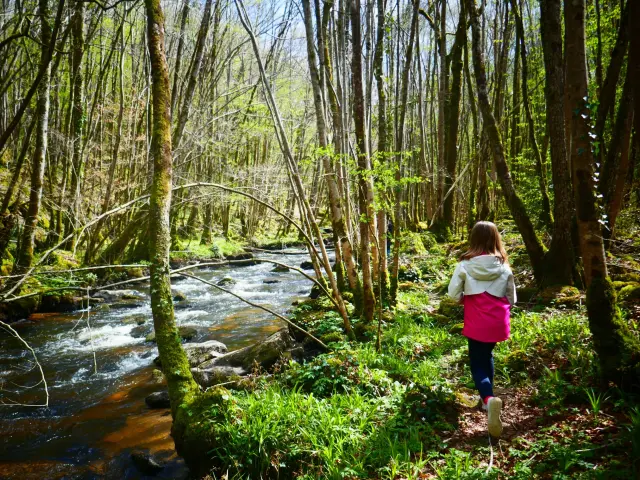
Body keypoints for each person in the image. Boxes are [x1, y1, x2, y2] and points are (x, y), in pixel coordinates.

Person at [447, 221, 516, 438]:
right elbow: (512, 297)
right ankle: (488, 400)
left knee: (477, 362)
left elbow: (452, 294)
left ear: (473, 239)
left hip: (477, 320)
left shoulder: (465, 265)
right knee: (487, 354)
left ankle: (487, 399)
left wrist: (462, 299)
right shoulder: (504, 266)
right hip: (497, 321)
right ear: (496, 239)